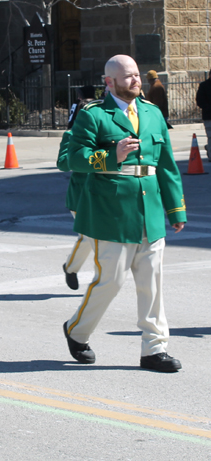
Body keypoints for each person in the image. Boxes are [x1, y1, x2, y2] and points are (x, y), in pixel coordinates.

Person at [63, 54, 186, 373]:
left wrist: (176, 208)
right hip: (111, 212)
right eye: (128, 77)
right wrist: (110, 157)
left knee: (152, 285)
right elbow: (74, 157)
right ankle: (77, 331)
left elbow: (167, 164)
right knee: (111, 282)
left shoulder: (153, 113)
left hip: (150, 209)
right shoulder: (93, 115)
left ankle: (154, 350)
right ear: (109, 82)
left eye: (136, 75)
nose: (136, 81)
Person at [57, 88, 95, 290]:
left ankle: (70, 267)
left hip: (103, 194)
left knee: (92, 238)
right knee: (91, 237)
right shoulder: (71, 135)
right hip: (80, 196)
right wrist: (84, 161)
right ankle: (99, 280)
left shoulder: (102, 132)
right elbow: (63, 163)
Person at [196, 70, 211, 161]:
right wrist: (208, 108)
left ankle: (208, 147)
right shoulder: (204, 86)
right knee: (210, 136)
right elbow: (200, 101)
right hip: (209, 116)